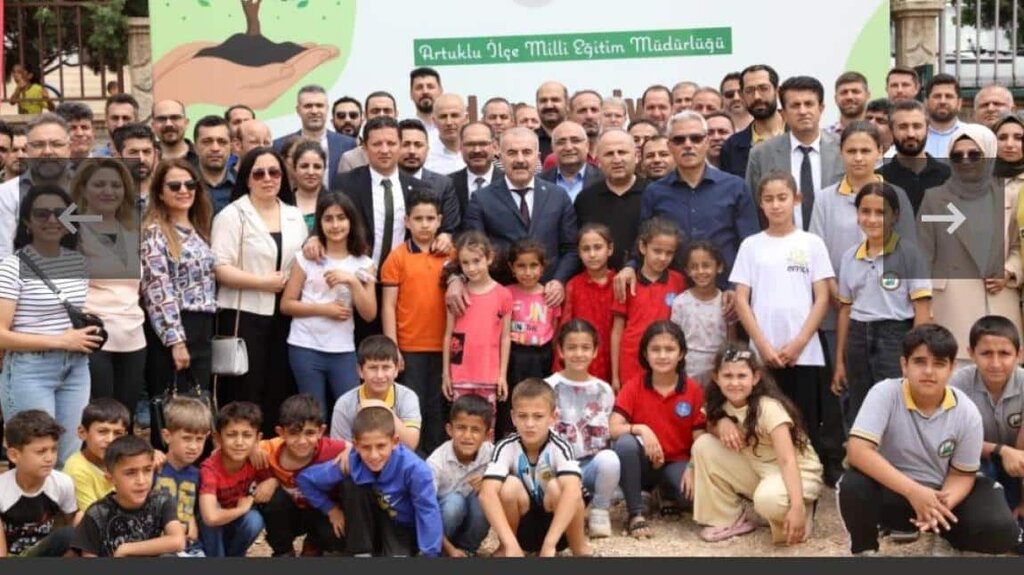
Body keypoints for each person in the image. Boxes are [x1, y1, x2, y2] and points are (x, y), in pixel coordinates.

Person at [838, 324, 1020, 556]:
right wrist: (914, 492)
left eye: (939, 363)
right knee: (854, 485)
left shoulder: (966, 411)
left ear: (952, 368)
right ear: (904, 365)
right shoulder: (884, 394)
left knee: (1002, 530)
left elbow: (961, 474)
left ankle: (946, 537)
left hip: (942, 493)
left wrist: (938, 507)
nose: (929, 371)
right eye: (920, 362)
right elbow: (858, 451)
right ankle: (864, 550)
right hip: (896, 491)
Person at [732, 172, 834, 465]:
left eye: (782, 198)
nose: (776, 205)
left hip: (804, 352)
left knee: (804, 419)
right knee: (765, 416)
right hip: (764, 353)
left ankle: (806, 476)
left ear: (796, 200)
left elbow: (823, 297)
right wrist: (762, 346)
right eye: (769, 199)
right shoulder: (751, 245)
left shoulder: (811, 243)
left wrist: (800, 342)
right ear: (760, 205)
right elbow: (741, 299)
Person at [0, 185, 99, 465]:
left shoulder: (78, 263)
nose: (52, 220)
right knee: (34, 456)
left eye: (60, 213)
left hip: (77, 367)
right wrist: (60, 340)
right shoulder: (11, 266)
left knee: (69, 458)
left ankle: (65, 511)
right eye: (42, 214)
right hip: (30, 369)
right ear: (27, 222)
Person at [614, 111, 760, 299]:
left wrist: (736, 290)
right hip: (671, 295)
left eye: (696, 138)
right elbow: (643, 242)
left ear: (706, 142)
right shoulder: (654, 192)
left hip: (725, 295)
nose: (688, 145)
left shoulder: (735, 187)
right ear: (670, 146)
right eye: (679, 140)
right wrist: (630, 267)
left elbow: (750, 246)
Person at [212, 148, 307, 434]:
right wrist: (261, 282)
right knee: (245, 388)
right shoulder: (232, 215)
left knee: (278, 386)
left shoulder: (293, 214)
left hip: (285, 314)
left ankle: (270, 452)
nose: (268, 178)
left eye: (274, 172)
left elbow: (302, 263)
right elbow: (219, 266)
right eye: (259, 173)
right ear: (247, 178)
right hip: (243, 313)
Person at [692, 343, 824, 544]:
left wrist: (796, 506)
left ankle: (800, 509)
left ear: (755, 377)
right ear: (716, 378)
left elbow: (788, 460)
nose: (734, 383)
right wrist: (721, 423)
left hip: (798, 472)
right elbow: (710, 426)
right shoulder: (720, 404)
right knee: (703, 445)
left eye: (741, 376)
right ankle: (728, 519)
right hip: (761, 469)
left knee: (767, 501)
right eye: (728, 376)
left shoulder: (768, 407)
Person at [918, 124, 1023, 365]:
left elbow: (1019, 246)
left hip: (1000, 301)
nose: (965, 160)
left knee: (1003, 379)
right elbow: (922, 256)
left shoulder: (1010, 196)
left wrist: (1009, 271)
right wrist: (925, 310)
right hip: (952, 307)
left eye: (974, 154)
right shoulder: (934, 198)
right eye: (957, 155)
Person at [833, 183, 932, 424]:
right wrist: (839, 361)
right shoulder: (849, 257)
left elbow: (922, 310)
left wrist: (916, 356)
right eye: (865, 212)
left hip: (895, 336)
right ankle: (860, 458)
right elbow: (845, 310)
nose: (873, 219)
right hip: (857, 337)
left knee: (895, 403)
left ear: (894, 216)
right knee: (859, 403)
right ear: (858, 215)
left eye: (881, 212)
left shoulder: (909, 254)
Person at [140, 159, 217, 447]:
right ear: (160, 192)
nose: (184, 190)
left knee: (198, 408)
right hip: (174, 328)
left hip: (202, 325)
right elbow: (158, 290)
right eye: (175, 185)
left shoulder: (199, 229)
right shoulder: (155, 233)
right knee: (172, 410)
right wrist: (176, 341)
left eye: (190, 184)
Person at [281, 191, 376, 424]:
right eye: (328, 218)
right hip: (305, 346)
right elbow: (286, 304)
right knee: (313, 416)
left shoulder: (364, 263)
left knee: (351, 414)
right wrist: (325, 310)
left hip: (342, 349)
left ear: (351, 221)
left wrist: (352, 280)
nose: (335, 225)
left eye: (341, 218)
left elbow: (369, 313)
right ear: (320, 223)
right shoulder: (305, 258)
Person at [298, 404, 443, 557]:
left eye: (381, 446)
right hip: (367, 524)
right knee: (351, 483)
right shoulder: (352, 460)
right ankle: (362, 552)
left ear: (394, 442)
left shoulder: (415, 469)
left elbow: (428, 512)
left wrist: (430, 554)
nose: (374, 455)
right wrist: (330, 509)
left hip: (402, 527)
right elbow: (305, 479)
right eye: (366, 447)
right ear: (355, 445)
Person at [610, 321, 706, 539]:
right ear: (645, 353)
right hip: (643, 463)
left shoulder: (692, 389)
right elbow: (613, 428)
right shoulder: (634, 385)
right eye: (655, 349)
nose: (662, 356)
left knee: (690, 500)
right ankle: (635, 512)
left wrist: (692, 466)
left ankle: (665, 492)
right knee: (625, 443)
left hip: (677, 461)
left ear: (681, 354)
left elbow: (700, 438)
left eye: (670, 349)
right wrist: (642, 429)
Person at [480, 378, 591, 557]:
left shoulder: (560, 446)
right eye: (523, 416)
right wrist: (509, 543)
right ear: (513, 417)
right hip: (522, 530)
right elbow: (486, 494)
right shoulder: (506, 446)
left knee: (560, 488)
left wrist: (549, 544)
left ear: (553, 417)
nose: (530, 424)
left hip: (557, 529)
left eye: (538, 416)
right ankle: (507, 548)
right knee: (508, 487)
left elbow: (573, 492)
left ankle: (579, 548)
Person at [458, 126, 578, 292]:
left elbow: (571, 249)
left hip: (549, 296)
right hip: (502, 295)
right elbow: (474, 251)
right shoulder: (482, 199)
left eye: (527, 152)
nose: (520, 159)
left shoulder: (558, 195)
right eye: (512, 153)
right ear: (500, 156)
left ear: (537, 157)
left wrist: (559, 281)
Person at [71, 159, 145, 425]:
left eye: (115, 185)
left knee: (126, 419)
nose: (108, 191)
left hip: (134, 335)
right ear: (84, 188)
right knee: (99, 420)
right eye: (99, 184)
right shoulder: (71, 228)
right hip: (93, 336)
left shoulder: (131, 230)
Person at [381, 190, 450, 453]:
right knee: (414, 407)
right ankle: (414, 460)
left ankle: (437, 461)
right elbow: (388, 305)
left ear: (439, 220)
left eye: (430, 218)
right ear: (407, 221)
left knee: (438, 408)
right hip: (410, 346)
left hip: (444, 346)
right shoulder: (397, 257)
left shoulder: (450, 254)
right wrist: (392, 347)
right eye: (418, 218)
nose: (424, 224)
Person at [545, 320, 620, 539]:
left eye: (585, 347)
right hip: (557, 467)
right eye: (572, 347)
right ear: (560, 350)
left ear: (595, 351)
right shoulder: (548, 387)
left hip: (589, 466)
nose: (579, 353)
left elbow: (605, 433)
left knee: (610, 459)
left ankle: (599, 509)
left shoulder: (604, 390)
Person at [252, 394, 348, 557]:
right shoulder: (267, 451)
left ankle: (314, 543)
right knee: (273, 500)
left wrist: (350, 451)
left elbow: (363, 446)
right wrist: (251, 449)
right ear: (281, 432)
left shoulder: (332, 449)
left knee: (335, 536)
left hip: (322, 512)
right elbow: (231, 450)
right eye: (294, 433)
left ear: (321, 431)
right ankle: (284, 551)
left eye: (309, 433)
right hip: (289, 515)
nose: (302, 441)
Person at [949, 316, 1024, 524]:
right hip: (975, 461)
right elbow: (953, 441)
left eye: (1005, 354)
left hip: (1016, 467)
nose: (995, 363)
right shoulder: (958, 385)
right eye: (986, 354)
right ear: (971, 353)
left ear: (1019, 354)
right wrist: (1002, 450)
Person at [745, 76, 843, 231]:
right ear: (783, 113)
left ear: (821, 108)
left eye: (809, 104)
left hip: (834, 245)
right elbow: (752, 207)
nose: (803, 111)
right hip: (781, 246)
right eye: (795, 106)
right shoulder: (761, 154)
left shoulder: (843, 149)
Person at [442, 231, 512, 435]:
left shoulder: (503, 295)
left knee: (486, 427)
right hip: (460, 375)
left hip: (488, 374)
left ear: (489, 258)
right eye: (465, 263)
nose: (471, 268)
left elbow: (505, 337)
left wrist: (502, 375)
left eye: (476, 261)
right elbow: (449, 334)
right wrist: (446, 374)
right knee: (461, 425)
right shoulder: (456, 294)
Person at [71, 435, 186, 557]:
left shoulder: (161, 501)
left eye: (147, 470)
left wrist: (126, 549)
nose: (141, 481)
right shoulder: (97, 513)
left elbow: (178, 541)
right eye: (130, 473)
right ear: (110, 478)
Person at [611, 217, 686, 391]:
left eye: (669, 253)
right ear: (643, 247)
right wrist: (615, 375)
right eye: (657, 251)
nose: (663, 258)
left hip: (666, 359)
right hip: (631, 359)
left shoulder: (679, 282)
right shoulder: (627, 282)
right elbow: (617, 331)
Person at [497, 239, 561, 438]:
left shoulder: (549, 295)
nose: (527, 271)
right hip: (515, 356)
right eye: (521, 266)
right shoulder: (506, 292)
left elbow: (555, 329)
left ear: (542, 267)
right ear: (512, 267)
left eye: (533, 265)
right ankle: (510, 437)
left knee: (539, 398)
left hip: (541, 356)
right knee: (513, 400)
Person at [198, 401, 275, 557]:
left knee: (254, 520)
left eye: (247, 435)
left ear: (257, 438)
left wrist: (273, 481)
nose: (239, 442)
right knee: (213, 516)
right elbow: (210, 517)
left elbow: (282, 476)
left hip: (236, 523)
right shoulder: (210, 468)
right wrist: (241, 509)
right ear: (218, 438)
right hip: (211, 525)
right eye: (231, 435)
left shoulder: (256, 459)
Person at [0, 410, 78, 557]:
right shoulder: (2, 489)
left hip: (45, 553)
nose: (49, 458)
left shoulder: (62, 483)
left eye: (54, 450)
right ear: (14, 455)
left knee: (72, 534)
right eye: (41, 451)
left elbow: (72, 523)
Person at [426, 395, 494, 557]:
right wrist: (449, 549)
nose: (467, 436)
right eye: (461, 428)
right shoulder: (436, 462)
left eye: (475, 430)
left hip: (470, 528)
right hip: (441, 529)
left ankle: (467, 550)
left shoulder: (492, 455)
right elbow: (425, 512)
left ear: (487, 435)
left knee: (485, 496)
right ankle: (441, 551)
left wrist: (490, 483)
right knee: (454, 504)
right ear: (450, 430)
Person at [330, 335, 422, 451]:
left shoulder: (407, 397)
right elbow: (340, 452)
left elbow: (411, 444)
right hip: (358, 463)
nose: (380, 375)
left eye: (386, 367)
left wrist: (382, 408)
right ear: (360, 371)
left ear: (396, 369)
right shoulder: (345, 404)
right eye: (373, 368)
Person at [574, 129, 647, 271]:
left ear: (637, 156)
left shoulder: (652, 193)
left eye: (622, 152)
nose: (617, 159)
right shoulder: (586, 199)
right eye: (609, 154)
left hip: (645, 284)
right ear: (599, 161)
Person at [153, 396, 212, 557]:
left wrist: (191, 520)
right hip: (159, 546)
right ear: (167, 436)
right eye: (186, 438)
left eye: (200, 439)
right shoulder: (153, 467)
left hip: (191, 546)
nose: (193, 446)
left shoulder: (198, 473)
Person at [671, 241, 735, 388]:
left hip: (718, 371)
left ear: (718, 267)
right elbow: (674, 340)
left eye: (706, 265)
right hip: (688, 370)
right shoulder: (680, 302)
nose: (700, 271)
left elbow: (732, 340)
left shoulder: (726, 302)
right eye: (694, 267)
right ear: (687, 270)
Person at [559, 223, 615, 383]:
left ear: (610, 249)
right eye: (586, 249)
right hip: (582, 360)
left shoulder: (619, 284)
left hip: (613, 359)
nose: (592, 254)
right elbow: (564, 329)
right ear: (579, 252)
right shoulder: (573, 285)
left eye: (598, 248)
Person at [272, 85, 357, 190]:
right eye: (308, 106)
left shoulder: (348, 144)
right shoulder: (279, 145)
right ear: (298, 110)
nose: (314, 111)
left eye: (319, 105)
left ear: (327, 109)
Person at [877, 100, 951, 214]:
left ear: (928, 130)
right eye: (903, 127)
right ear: (891, 131)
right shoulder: (878, 179)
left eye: (917, 126)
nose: (910, 134)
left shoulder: (949, 177)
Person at [719, 64, 785, 178]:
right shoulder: (732, 147)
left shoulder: (798, 135)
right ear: (742, 95)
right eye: (749, 91)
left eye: (764, 88)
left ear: (777, 91)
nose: (757, 96)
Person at [63, 398, 129, 512]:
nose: (110, 440)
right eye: (102, 431)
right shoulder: (78, 469)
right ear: (82, 432)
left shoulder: (125, 459)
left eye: (118, 433)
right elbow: (93, 520)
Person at [449, 121, 503, 225]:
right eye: (470, 144)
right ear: (460, 147)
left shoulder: (508, 182)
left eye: (483, 144)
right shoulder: (448, 185)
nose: (477, 150)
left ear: (495, 147)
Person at [539, 121, 604, 202]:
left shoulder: (604, 180)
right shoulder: (539, 183)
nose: (568, 147)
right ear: (553, 148)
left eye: (575, 140)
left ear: (587, 146)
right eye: (561, 142)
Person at [193, 115, 236, 214]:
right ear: (195, 147)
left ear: (231, 147)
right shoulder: (184, 186)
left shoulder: (243, 185)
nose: (215, 148)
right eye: (207, 142)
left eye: (222, 142)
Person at [425, 93, 468, 175]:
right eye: (443, 116)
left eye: (454, 115)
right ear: (434, 121)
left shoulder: (476, 150)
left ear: (466, 119)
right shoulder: (425, 153)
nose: (449, 122)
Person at [290, 140, 328, 231]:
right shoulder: (283, 202)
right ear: (294, 168)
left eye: (317, 167)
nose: (311, 172)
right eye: (304, 166)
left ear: (324, 169)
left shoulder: (335, 203)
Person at [923, 74, 964, 158]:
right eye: (937, 96)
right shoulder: (914, 136)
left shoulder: (971, 134)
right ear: (926, 102)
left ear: (959, 103)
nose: (942, 101)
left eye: (949, 96)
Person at [151, 99, 198, 164]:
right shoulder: (146, 159)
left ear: (186, 123)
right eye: (161, 119)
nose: (168, 124)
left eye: (175, 118)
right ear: (153, 125)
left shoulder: (201, 156)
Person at [535, 81, 569, 161]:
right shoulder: (528, 141)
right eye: (543, 101)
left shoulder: (580, 138)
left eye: (555, 100)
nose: (549, 105)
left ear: (567, 104)